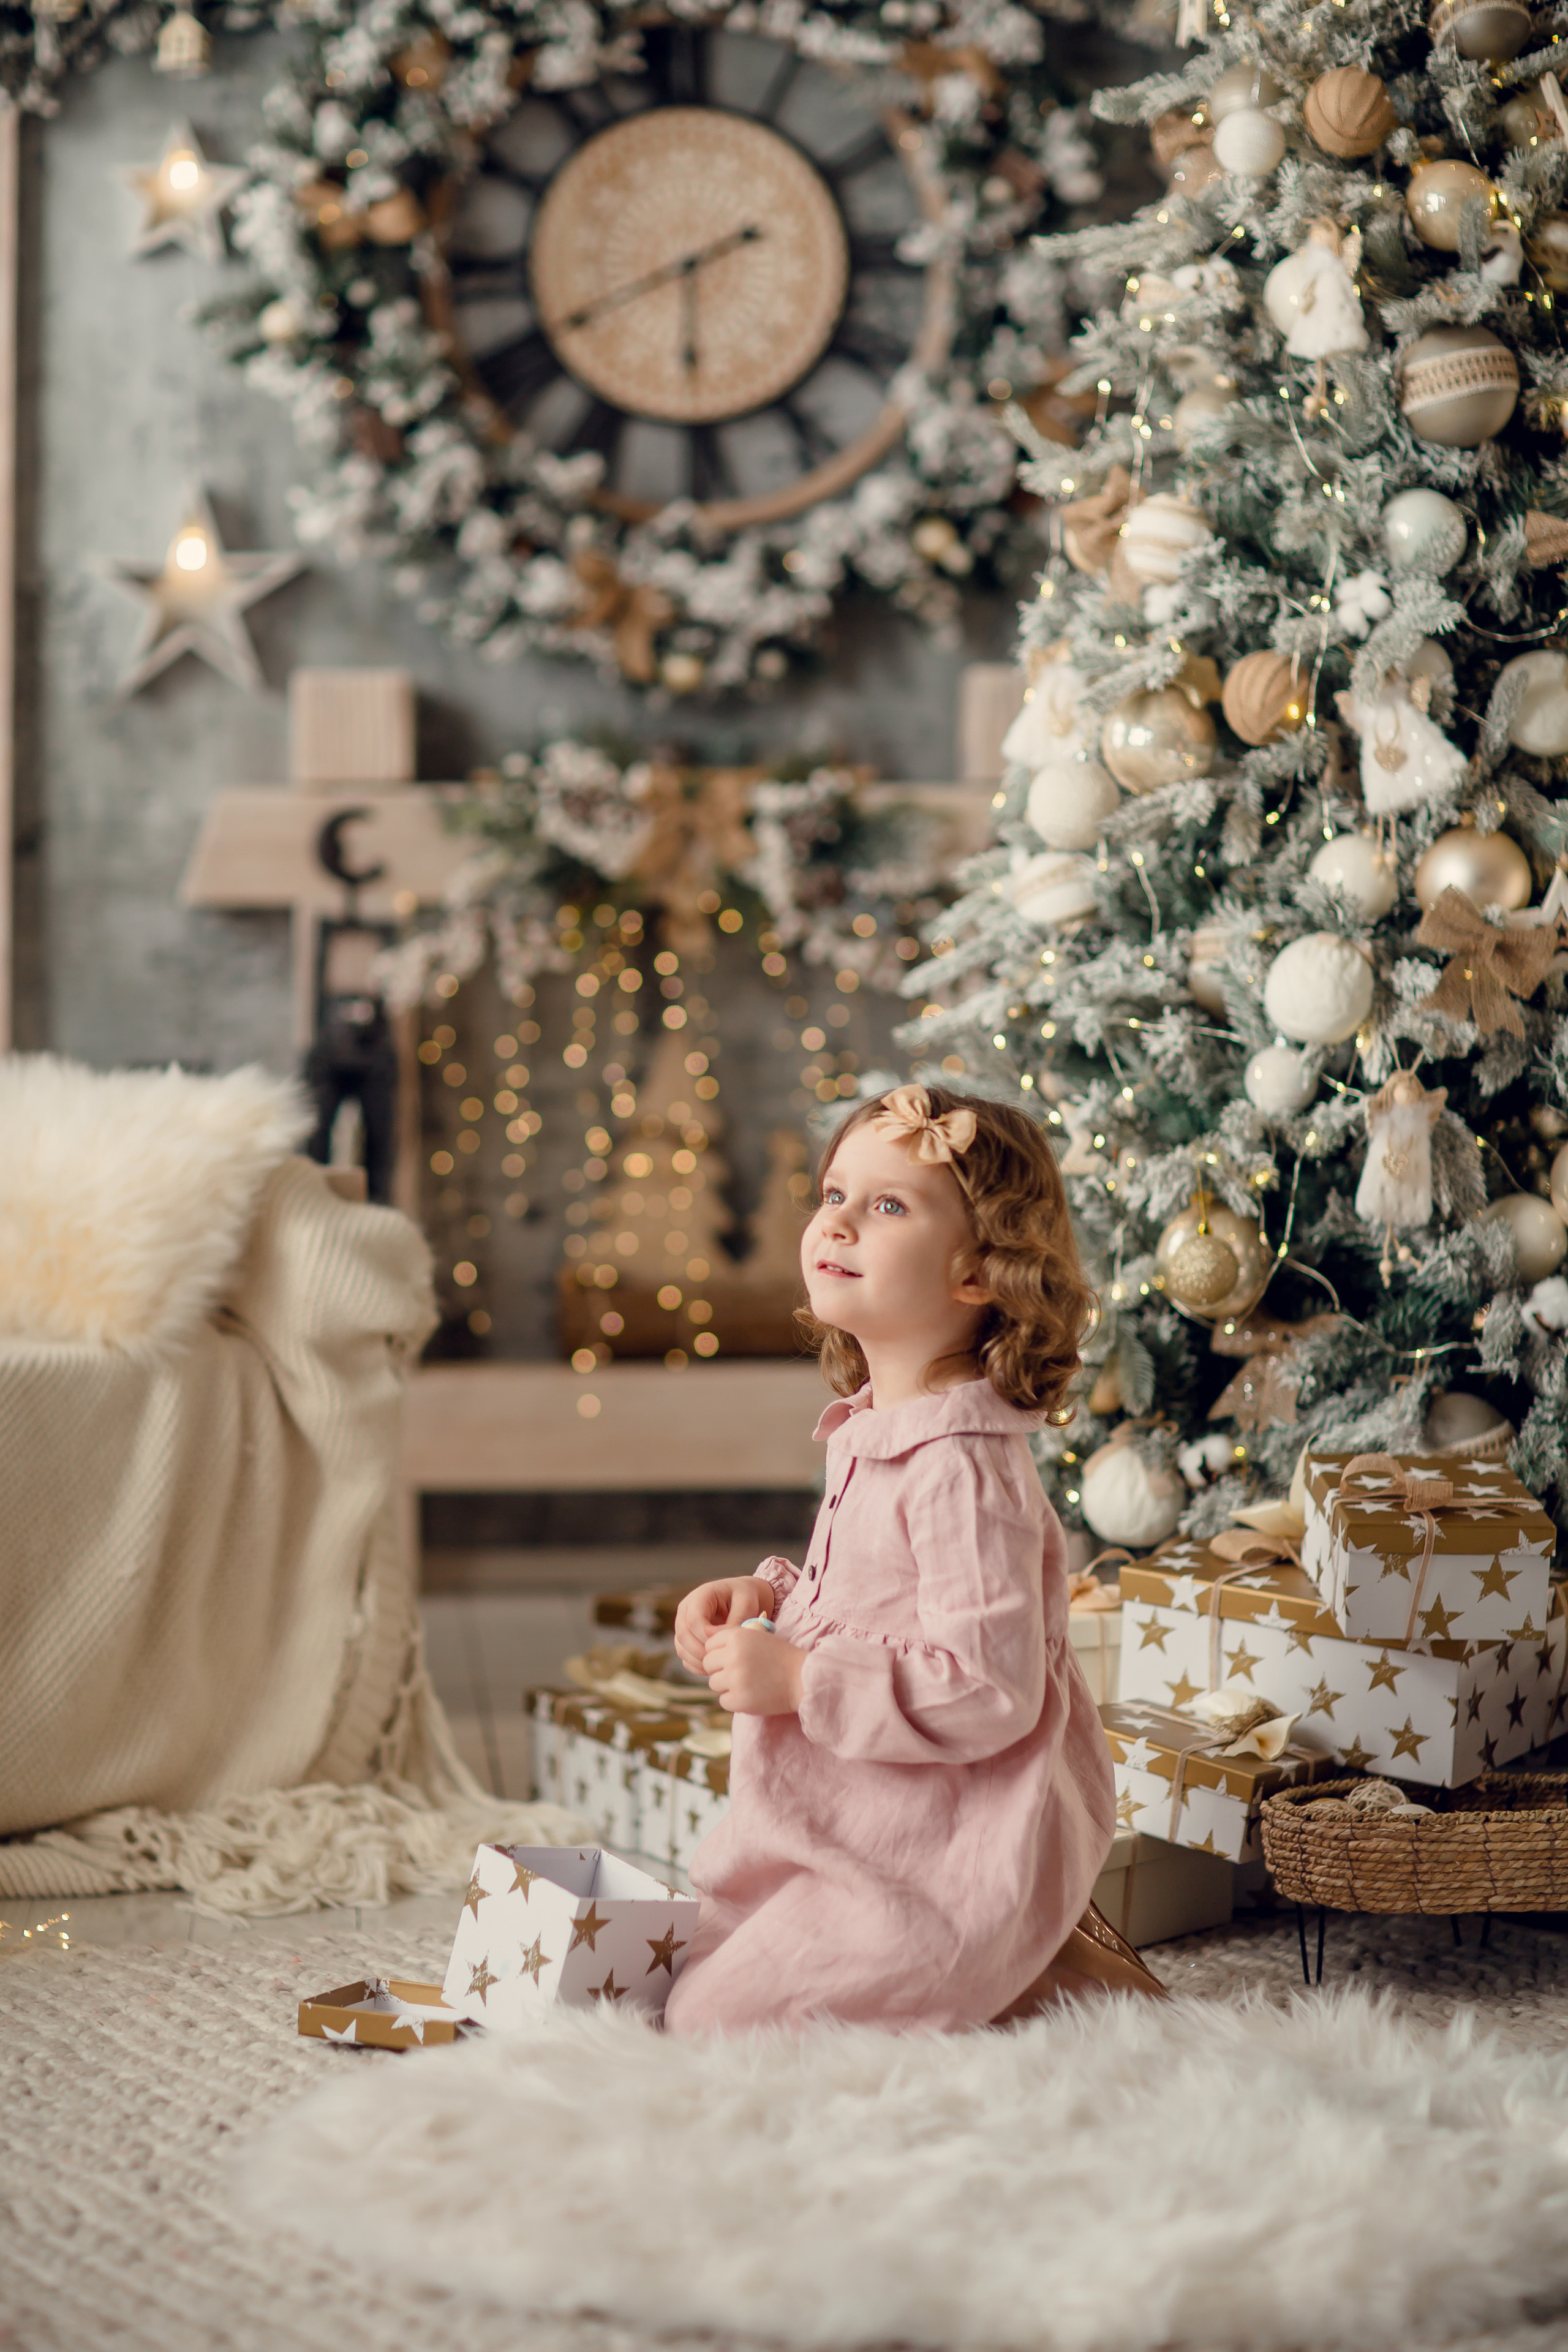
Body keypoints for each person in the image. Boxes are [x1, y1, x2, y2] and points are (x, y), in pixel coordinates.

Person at [662, 1082, 1163, 2036]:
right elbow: (877, 1601)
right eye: (833, 1194)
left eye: (886, 1206)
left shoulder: (965, 1471)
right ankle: (1036, 1971)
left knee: (712, 2025)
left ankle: (1031, 1969)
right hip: (858, 1814)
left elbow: (988, 1686)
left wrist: (805, 1678)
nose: (838, 1223)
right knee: (691, 1970)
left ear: (979, 1272)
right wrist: (768, 1595)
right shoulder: (882, 1426)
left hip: (944, 1843)